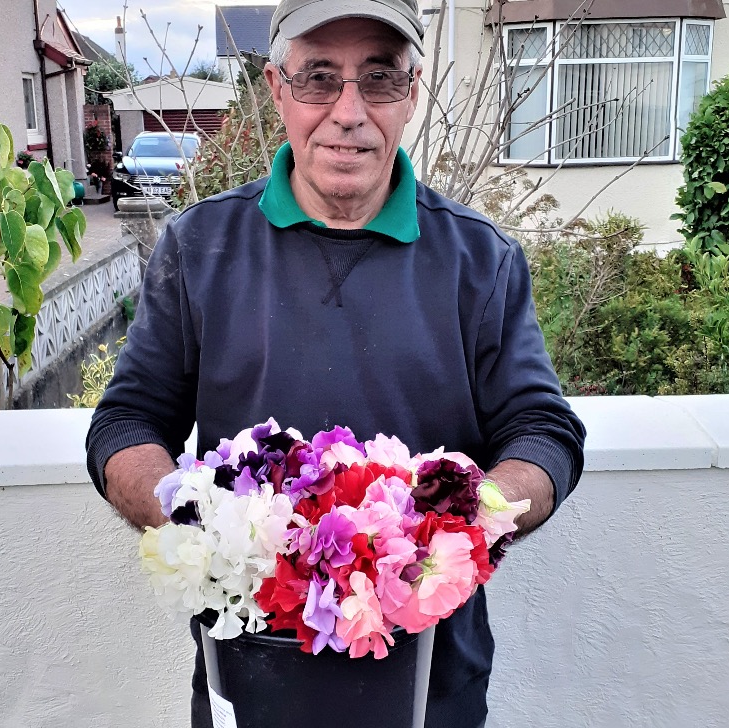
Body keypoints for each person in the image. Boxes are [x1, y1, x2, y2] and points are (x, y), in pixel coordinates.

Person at [86, 0, 586, 725]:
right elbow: (127, 422)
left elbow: (543, 430)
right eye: (318, 77)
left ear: (411, 93)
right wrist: (204, 524)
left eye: (379, 78)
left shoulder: (481, 259)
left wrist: (455, 522)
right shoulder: (199, 246)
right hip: (248, 678)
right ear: (277, 88)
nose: (348, 112)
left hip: (431, 683)